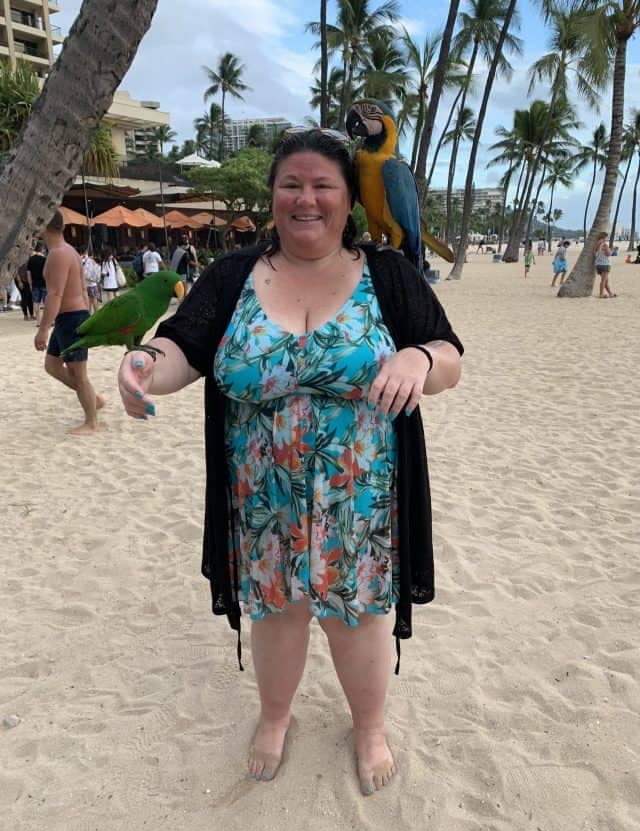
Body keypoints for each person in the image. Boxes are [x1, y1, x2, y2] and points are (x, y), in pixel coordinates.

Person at [117, 129, 463, 795]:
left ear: (348, 200)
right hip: (262, 499)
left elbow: (448, 353)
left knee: (358, 615)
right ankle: (275, 716)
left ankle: (369, 726)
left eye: (322, 185)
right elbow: (182, 347)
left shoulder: (388, 275)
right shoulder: (231, 277)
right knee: (274, 612)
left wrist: (419, 359)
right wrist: (144, 366)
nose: (306, 198)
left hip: (359, 502)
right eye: (291, 185)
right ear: (273, 195)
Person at [34, 210, 104, 435]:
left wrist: (43, 330)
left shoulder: (59, 254)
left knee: (79, 374)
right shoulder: (67, 251)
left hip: (72, 318)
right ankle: (95, 400)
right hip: (70, 317)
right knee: (52, 365)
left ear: (44, 225)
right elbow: (82, 288)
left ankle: (91, 422)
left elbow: (55, 294)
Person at [27, 241, 47, 324]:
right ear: (41, 249)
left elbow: (28, 273)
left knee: (36, 303)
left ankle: (38, 321)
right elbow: (47, 272)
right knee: (46, 303)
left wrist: (30, 284)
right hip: (44, 283)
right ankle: (47, 321)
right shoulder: (45, 259)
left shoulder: (30, 260)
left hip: (35, 284)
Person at [594, 232, 616, 298]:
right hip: (605, 264)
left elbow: (596, 253)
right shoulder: (604, 245)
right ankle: (601, 294)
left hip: (598, 264)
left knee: (605, 280)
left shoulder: (596, 244)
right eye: (607, 237)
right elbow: (608, 254)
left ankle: (610, 293)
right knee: (604, 281)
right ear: (604, 237)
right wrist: (610, 250)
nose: (607, 238)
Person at [81, 249, 102, 314]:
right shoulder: (92, 261)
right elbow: (97, 269)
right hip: (93, 284)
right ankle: (96, 314)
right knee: (95, 300)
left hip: (85, 284)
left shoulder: (81, 260)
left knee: (88, 301)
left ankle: (89, 314)